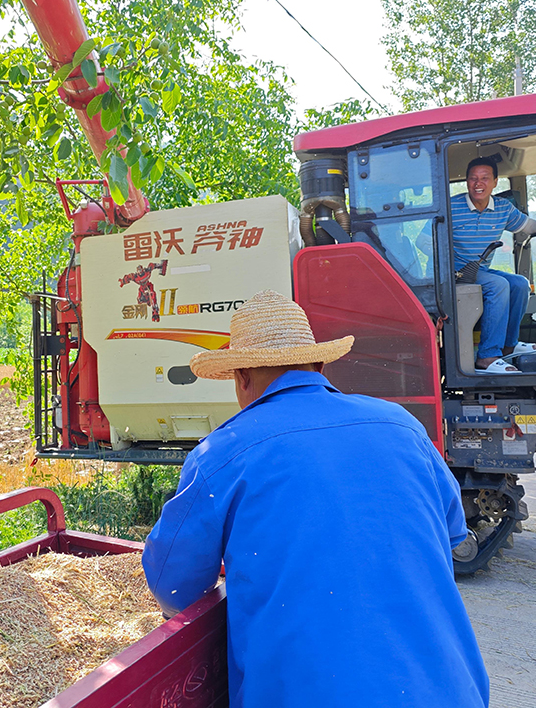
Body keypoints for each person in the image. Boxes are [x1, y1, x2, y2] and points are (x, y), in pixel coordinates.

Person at [142, 290, 489, 708]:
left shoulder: (223, 453)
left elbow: (172, 585)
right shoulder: (404, 427)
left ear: (241, 377)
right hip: (450, 691)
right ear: (320, 366)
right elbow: (452, 534)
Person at [452, 157, 536, 373]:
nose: (478, 184)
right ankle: (487, 356)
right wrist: (448, 265)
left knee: (520, 283)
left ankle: (509, 345)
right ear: (466, 182)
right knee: (498, 284)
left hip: (480, 271)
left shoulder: (502, 208)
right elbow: (423, 241)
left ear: (495, 182)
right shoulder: (451, 207)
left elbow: (528, 226)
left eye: (484, 178)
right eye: (473, 178)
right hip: (455, 273)